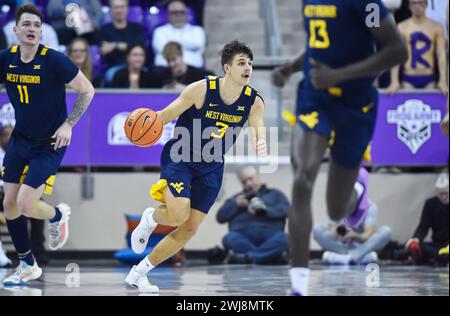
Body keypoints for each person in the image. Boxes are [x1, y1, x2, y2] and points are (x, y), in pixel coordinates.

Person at [272, 0, 407, 296]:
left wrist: (339, 75)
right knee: (302, 177)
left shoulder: (367, 4)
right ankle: (298, 286)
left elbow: (397, 50)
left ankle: (356, 196)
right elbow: (320, 44)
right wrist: (291, 68)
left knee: (336, 209)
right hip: (315, 96)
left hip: (357, 103)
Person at [124, 40, 267, 293]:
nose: (248, 68)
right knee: (178, 213)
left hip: (212, 166)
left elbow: (258, 127)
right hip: (181, 158)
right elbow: (166, 114)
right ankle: (151, 218)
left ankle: (139, 273)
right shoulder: (201, 90)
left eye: (250, 64)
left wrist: (261, 142)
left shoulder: (253, 101)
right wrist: (146, 124)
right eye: (241, 63)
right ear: (227, 68)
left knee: (189, 228)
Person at [0, 4, 94, 286]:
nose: (32, 29)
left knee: (26, 203)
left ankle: (57, 214)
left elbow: (87, 89)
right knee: (9, 204)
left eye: (37, 25)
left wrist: (68, 124)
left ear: (42, 31)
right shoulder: (6, 59)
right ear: (15, 30)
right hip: (20, 139)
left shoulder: (54, 60)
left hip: (50, 142)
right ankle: (27, 264)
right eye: (27, 24)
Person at [217, 166, 289, 265]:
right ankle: (268, 257)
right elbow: (220, 217)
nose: (248, 183)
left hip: (271, 236)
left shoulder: (275, 194)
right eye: (244, 181)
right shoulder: (237, 198)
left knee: (286, 239)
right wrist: (235, 205)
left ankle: (248, 258)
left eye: (250, 179)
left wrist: (265, 210)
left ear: (258, 177)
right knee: (228, 238)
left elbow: (288, 211)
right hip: (243, 238)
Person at [386, 0, 448, 94]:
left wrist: (443, 80)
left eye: (420, 3)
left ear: (426, 4)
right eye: (414, 3)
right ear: (409, 6)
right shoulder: (402, 27)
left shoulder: (436, 27)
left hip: (429, 76)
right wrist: (394, 81)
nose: (417, 6)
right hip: (408, 77)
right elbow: (397, 55)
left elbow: (441, 54)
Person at [314, 196, 392, 265]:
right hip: (341, 245)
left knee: (386, 231)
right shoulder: (336, 205)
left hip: (362, 245)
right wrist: (340, 234)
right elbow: (332, 229)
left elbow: (367, 235)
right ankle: (357, 257)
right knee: (317, 230)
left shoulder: (370, 206)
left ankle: (344, 258)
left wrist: (354, 235)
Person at [404, 172, 449, 265]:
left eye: (447, 193)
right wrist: (416, 239)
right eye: (441, 194)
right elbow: (423, 227)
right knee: (414, 246)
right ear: (437, 192)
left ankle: (439, 258)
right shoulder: (430, 204)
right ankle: (440, 258)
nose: (444, 197)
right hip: (437, 245)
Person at [152, 0, 206, 68]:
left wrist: (171, 42)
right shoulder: (159, 31)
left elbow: (197, 44)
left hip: (194, 71)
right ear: (168, 15)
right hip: (165, 71)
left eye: (181, 12)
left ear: (186, 14)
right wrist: (188, 44)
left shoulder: (198, 30)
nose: (178, 15)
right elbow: (161, 48)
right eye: (174, 13)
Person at [97, 0, 146, 69]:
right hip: (113, 68)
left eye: (122, 7)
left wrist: (114, 45)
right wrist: (127, 46)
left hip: (136, 66)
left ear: (127, 9)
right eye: (116, 7)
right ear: (111, 10)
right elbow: (104, 50)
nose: (119, 10)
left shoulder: (137, 28)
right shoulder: (104, 30)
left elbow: (140, 47)